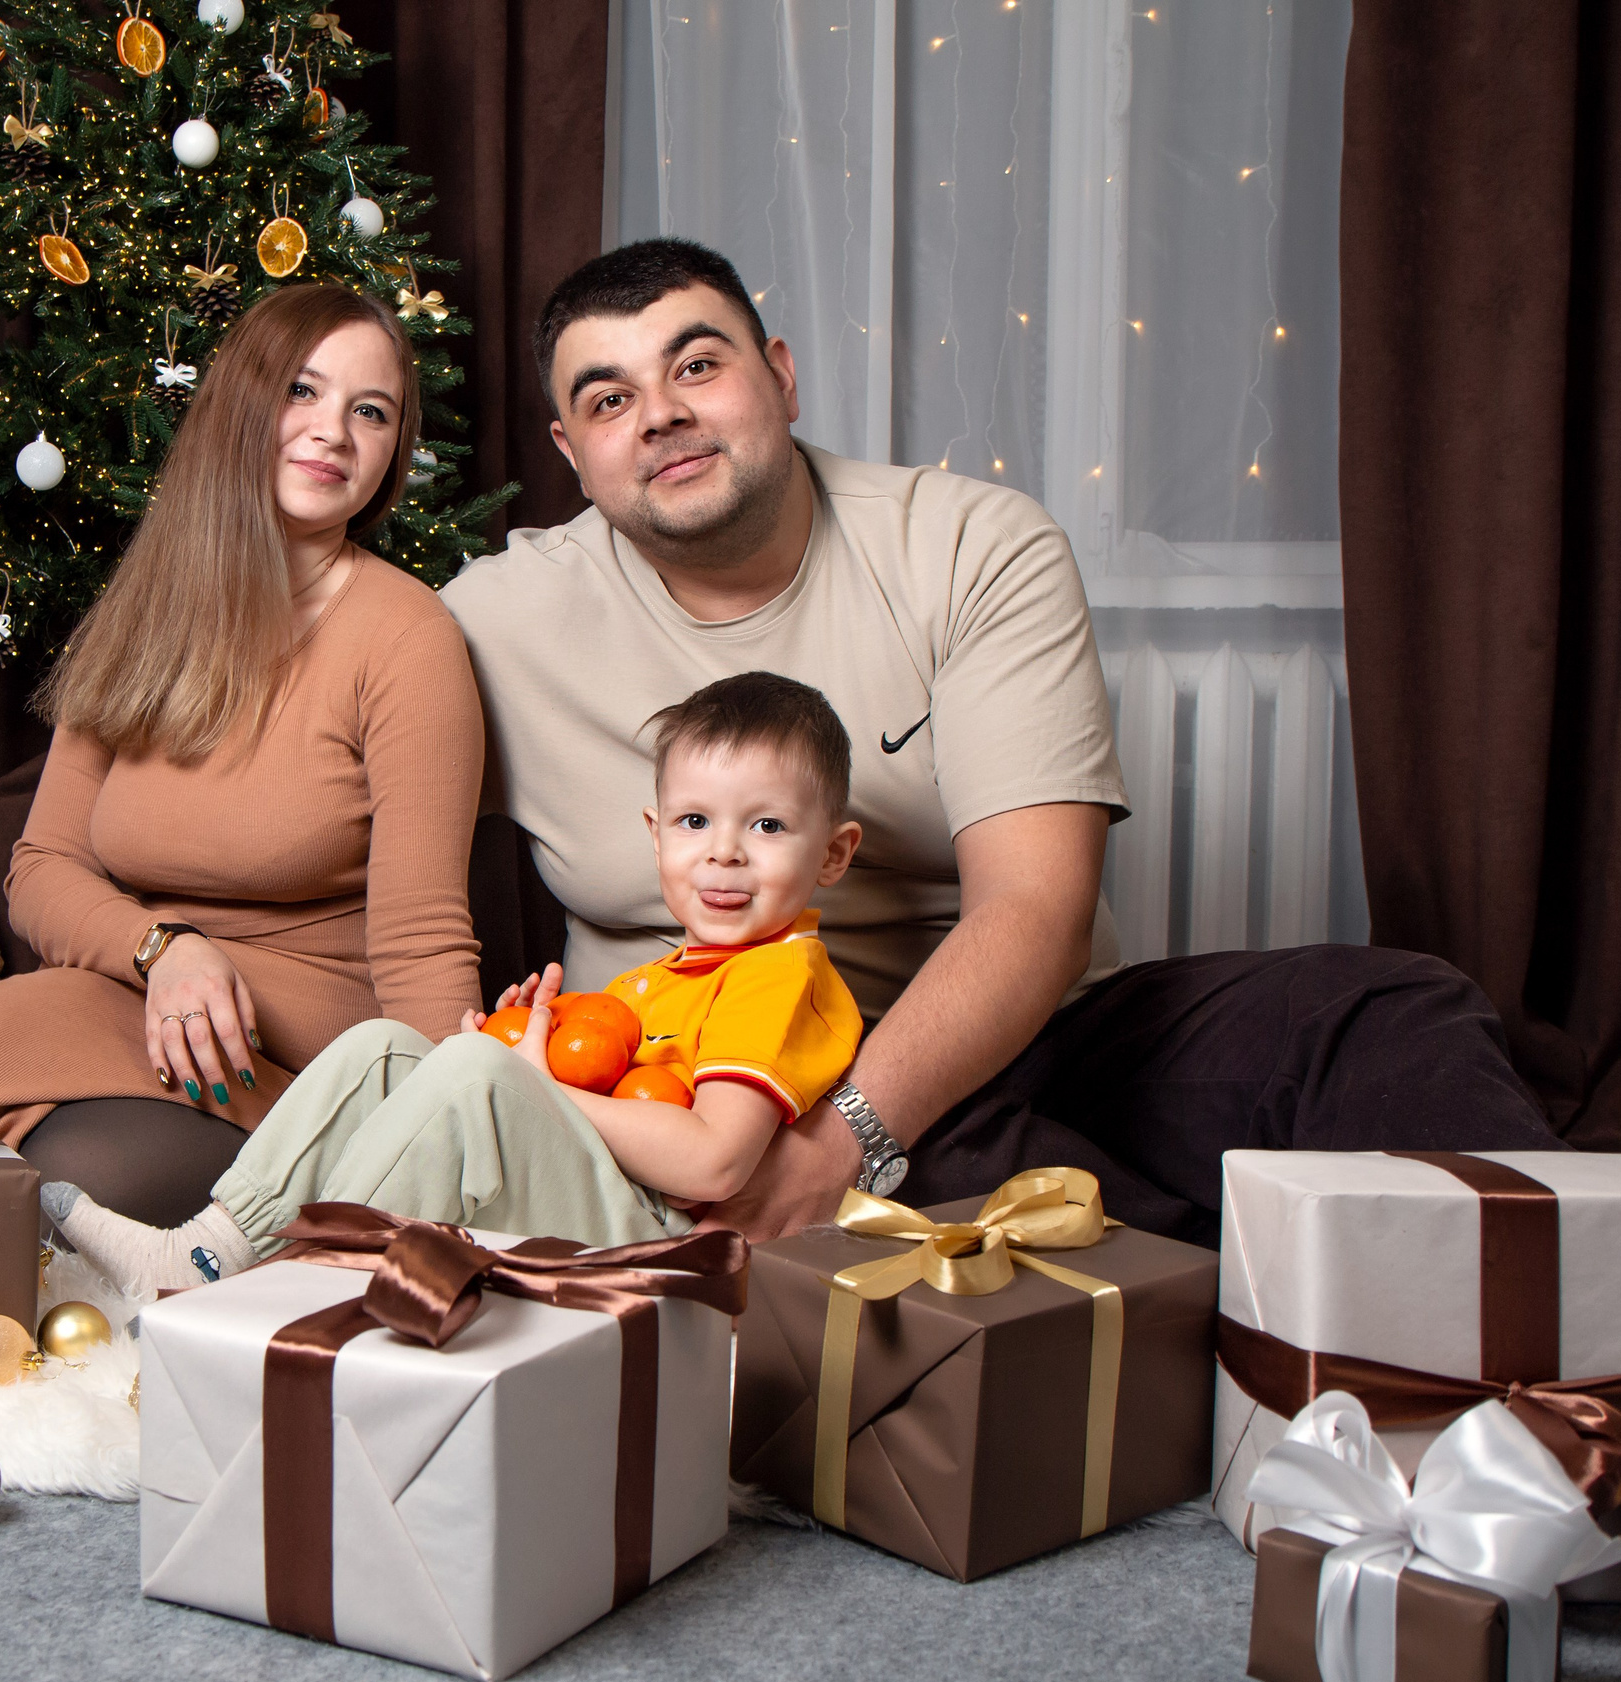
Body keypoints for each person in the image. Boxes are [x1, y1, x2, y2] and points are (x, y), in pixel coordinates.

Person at [439, 238, 1564, 1248]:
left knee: (1386, 1019)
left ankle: (1568, 1386)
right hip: (692, 1097)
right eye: (606, 398)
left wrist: (845, 1145)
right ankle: (1189, 1287)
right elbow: (301, 783)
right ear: (570, 452)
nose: (660, 414)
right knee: (1077, 1243)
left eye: (697, 366)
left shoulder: (971, 545)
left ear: (778, 375)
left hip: (989, 1038)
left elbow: (1034, 908)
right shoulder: (492, 620)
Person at [0, 283, 485, 1222]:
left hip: (297, 1050)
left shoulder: (409, 639)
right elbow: (44, 867)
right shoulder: (148, 608)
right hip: (139, 993)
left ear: (391, 451)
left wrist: (444, 1159)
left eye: (369, 412)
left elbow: (423, 943)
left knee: (72, 1176)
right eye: (302, 391)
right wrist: (164, 950)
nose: (333, 430)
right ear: (240, 405)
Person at [44, 671, 866, 1291]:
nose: (723, 851)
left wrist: (523, 1084)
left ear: (832, 853)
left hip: (667, 1244)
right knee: (384, 1050)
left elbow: (715, 1164)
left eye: (766, 825)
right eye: (696, 821)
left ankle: (300, 1289)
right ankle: (205, 1252)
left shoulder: (777, 974)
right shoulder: (663, 978)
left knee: (474, 1072)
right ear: (656, 836)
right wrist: (524, 1042)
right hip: (616, 1196)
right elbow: (609, 1089)